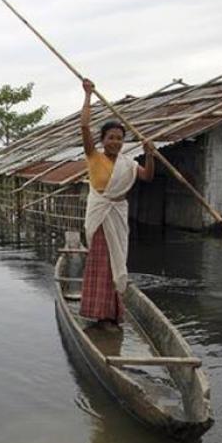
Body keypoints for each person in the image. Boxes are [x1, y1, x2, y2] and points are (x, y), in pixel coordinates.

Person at [79, 78, 154, 326]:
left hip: (118, 214)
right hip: (101, 214)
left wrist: (150, 154)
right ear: (102, 140)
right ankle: (99, 312)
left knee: (117, 261)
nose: (115, 142)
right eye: (111, 137)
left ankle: (114, 312)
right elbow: (85, 125)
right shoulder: (94, 156)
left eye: (120, 138)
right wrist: (88, 95)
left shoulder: (129, 163)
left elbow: (148, 176)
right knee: (102, 261)